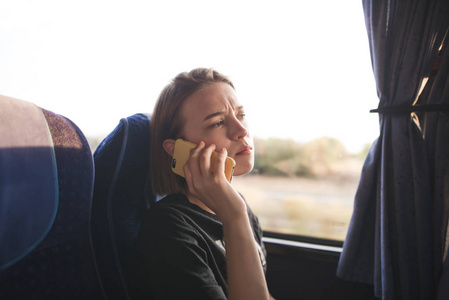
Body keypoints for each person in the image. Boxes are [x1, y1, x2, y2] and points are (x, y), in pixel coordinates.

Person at [135, 68, 274, 300]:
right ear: (177, 149)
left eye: (240, 115)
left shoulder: (239, 207)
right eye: (218, 122)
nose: (242, 131)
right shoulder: (167, 228)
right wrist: (234, 216)